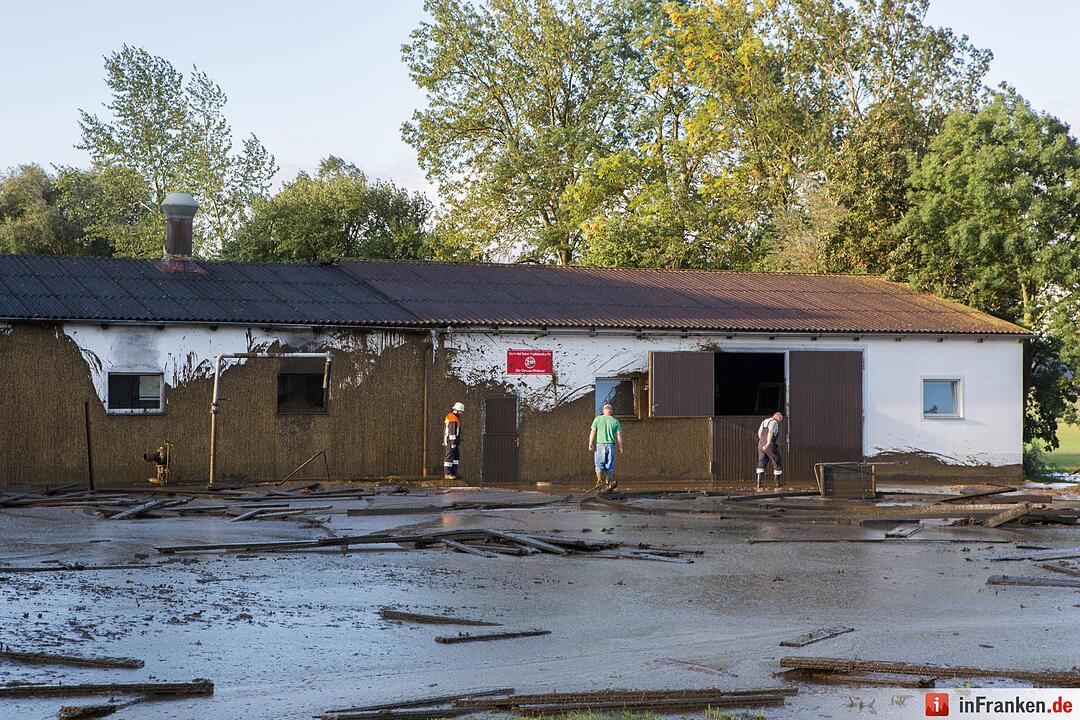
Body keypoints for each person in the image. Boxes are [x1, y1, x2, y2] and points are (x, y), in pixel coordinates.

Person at [588, 403, 624, 491]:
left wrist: (590, 444)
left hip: (600, 445)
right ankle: (608, 483)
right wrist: (620, 447)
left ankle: (599, 481)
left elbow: (593, 432)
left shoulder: (597, 419)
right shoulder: (615, 421)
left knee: (599, 464)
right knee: (610, 466)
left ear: (603, 411)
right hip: (611, 445)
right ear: (611, 411)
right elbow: (619, 435)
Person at [756, 411, 784, 491]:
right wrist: (768, 443)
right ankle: (778, 484)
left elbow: (759, 433)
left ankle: (759, 484)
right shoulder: (774, 422)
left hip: (760, 444)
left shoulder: (764, 421)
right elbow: (771, 432)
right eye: (780, 419)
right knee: (777, 461)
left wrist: (762, 442)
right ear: (778, 417)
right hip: (769, 444)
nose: (780, 421)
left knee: (761, 463)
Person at [443, 401, 465, 480]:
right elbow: (452, 432)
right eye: (460, 411)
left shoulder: (454, 418)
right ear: (456, 410)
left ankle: (453, 473)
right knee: (449, 457)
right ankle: (448, 473)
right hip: (451, 441)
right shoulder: (452, 418)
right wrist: (453, 442)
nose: (461, 413)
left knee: (456, 457)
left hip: (454, 441)